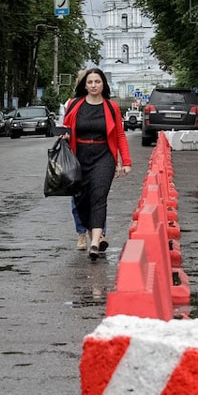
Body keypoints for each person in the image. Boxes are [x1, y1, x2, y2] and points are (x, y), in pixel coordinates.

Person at [62, 68, 131, 261]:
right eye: (90, 82)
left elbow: (119, 135)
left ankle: (94, 242)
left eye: (97, 82)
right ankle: (90, 233)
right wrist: (64, 135)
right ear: (84, 85)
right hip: (79, 157)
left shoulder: (111, 107)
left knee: (99, 197)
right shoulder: (75, 105)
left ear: (103, 85)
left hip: (104, 156)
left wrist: (125, 161)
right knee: (81, 200)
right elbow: (66, 129)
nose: (93, 85)